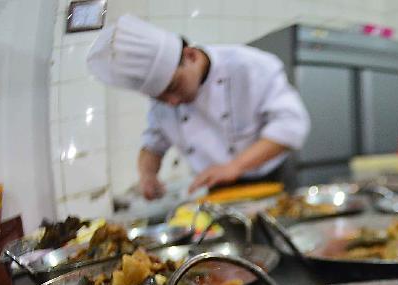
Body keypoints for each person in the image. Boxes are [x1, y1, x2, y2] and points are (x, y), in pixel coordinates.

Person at [87, 15, 310, 199]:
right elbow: (153, 143)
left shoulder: (249, 65)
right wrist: (147, 175)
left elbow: (291, 125)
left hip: (273, 179)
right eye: (160, 97)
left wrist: (236, 166)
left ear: (190, 56)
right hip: (217, 189)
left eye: (174, 86)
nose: (171, 102)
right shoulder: (165, 99)